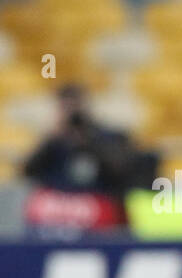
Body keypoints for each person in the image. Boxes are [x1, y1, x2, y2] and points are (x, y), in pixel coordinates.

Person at [22, 83, 154, 233]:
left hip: (100, 203)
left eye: (76, 107)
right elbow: (28, 171)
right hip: (60, 206)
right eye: (65, 108)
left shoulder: (109, 136)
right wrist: (52, 139)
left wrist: (90, 141)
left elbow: (122, 169)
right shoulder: (54, 142)